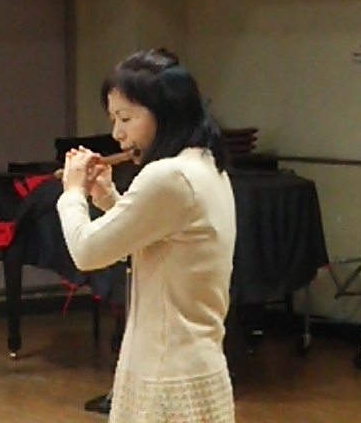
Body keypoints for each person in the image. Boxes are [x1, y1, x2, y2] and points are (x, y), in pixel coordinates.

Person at [56, 48, 236, 422]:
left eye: (126, 118)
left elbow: (87, 251)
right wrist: (108, 197)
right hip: (197, 368)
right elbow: (157, 243)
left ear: (164, 113)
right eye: (113, 120)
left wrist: (72, 193)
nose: (117, 134)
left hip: (166, 376)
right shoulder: (204, 165)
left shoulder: (169, 176)